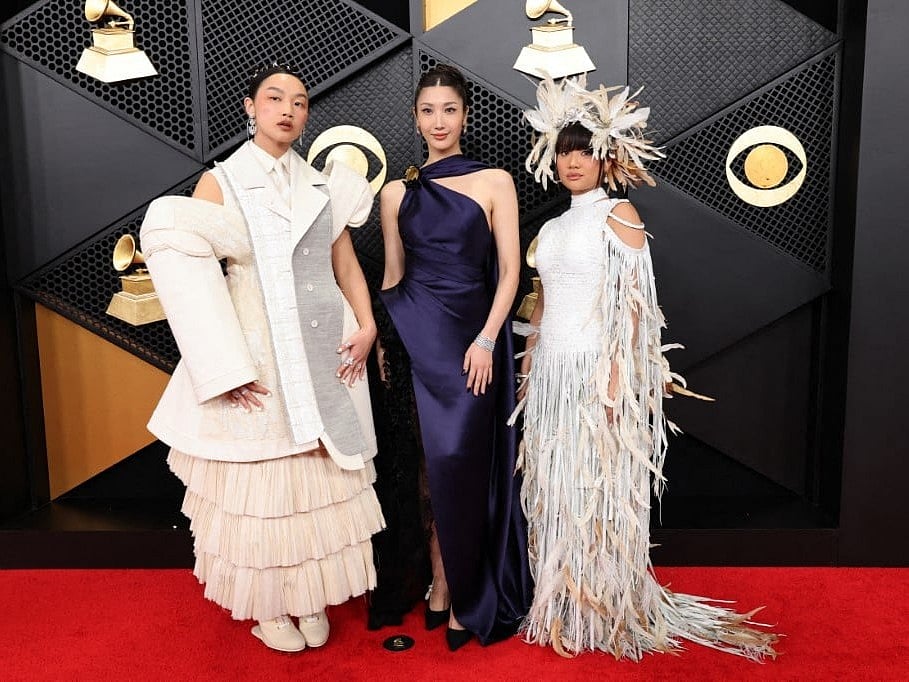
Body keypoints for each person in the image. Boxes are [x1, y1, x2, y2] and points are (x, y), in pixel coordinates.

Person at [513, 75, 779, 660]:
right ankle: (565, 605)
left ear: (605, 155)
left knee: (596, 491)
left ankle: (607, 606)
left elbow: (635, 309)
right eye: (563, 153)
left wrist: (617, 379)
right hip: (553, 376)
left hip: (597, 376)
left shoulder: (620, 213)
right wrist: (530, 374)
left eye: (583, 151)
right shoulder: (552, 229)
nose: (572, 162)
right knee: (558, 490)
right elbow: (544, 305)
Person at [139, 63, 385, 653]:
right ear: (250, 106)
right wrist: (219, 365)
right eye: (275, 98)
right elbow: (189, 278)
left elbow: (343, 262)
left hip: (324, 344)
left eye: (299, 102)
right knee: (262, 491)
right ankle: (270, 607)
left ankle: (308, 598)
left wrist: (369, 323)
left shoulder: (321, 183)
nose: (288, 110)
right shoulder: (220, 181)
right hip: (256, 352)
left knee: (315, 483)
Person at [376, 63, 532, 650]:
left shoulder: (495, 182)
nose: (438, 121)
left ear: (464, 115)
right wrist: (390, 346)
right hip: (415, 336)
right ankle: (439, 584)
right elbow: (393, 275)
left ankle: (469, 591)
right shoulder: (397, 191)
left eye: (449, 110)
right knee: (421, 468)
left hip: (473, 345)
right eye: (427, 110)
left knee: (461, 467)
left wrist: (489, 339)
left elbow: (511, 271)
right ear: (415, 118)